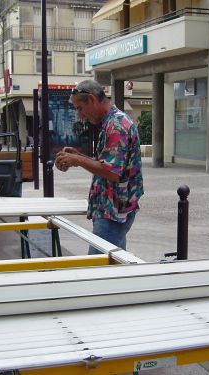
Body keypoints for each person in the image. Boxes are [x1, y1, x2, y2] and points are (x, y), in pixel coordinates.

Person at [55, 79, 144, 254]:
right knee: (113, 265)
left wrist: (78, 160)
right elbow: (107, 164)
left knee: (99, 270)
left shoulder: (116, 125)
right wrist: (78, 155)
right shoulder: (112, 122)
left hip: (113, 213)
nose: (80, 115)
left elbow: (111, 172)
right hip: (114, 210)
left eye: (80, 108)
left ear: (92, 100)